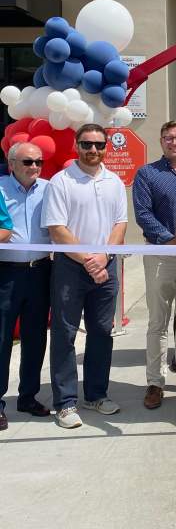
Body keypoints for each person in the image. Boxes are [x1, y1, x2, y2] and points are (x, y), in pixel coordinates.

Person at [43, 124, 127, 429]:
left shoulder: (114, 181)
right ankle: (65, 403)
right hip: (70, 267)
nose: (93, 150)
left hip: (106, 266)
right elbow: (57, 228)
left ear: (107, 147)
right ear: (76, 146)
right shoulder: (61, 181)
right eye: (86, 144)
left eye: (98, 144)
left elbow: (120, 224)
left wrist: (103, 257)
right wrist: (89, 261)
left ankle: (95, 394)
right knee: (64, 334)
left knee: (102, 332)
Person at [132, 120, 176, 410]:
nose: (175, 142)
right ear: (161, 141)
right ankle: (155, 382)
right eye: (169, 138)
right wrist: (170, 240)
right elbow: (143, 214)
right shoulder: (147, 173)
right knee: (158, 321)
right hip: (162, 254)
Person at [0, 143, 52, 431]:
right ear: (11, 164)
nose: (34, 167)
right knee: (2, 339)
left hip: (40, 271)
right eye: (27, 162)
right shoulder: (0, 189)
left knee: (35, 338)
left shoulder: (49, 188)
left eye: (39, 162)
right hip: (6, 273)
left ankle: (28, 397)